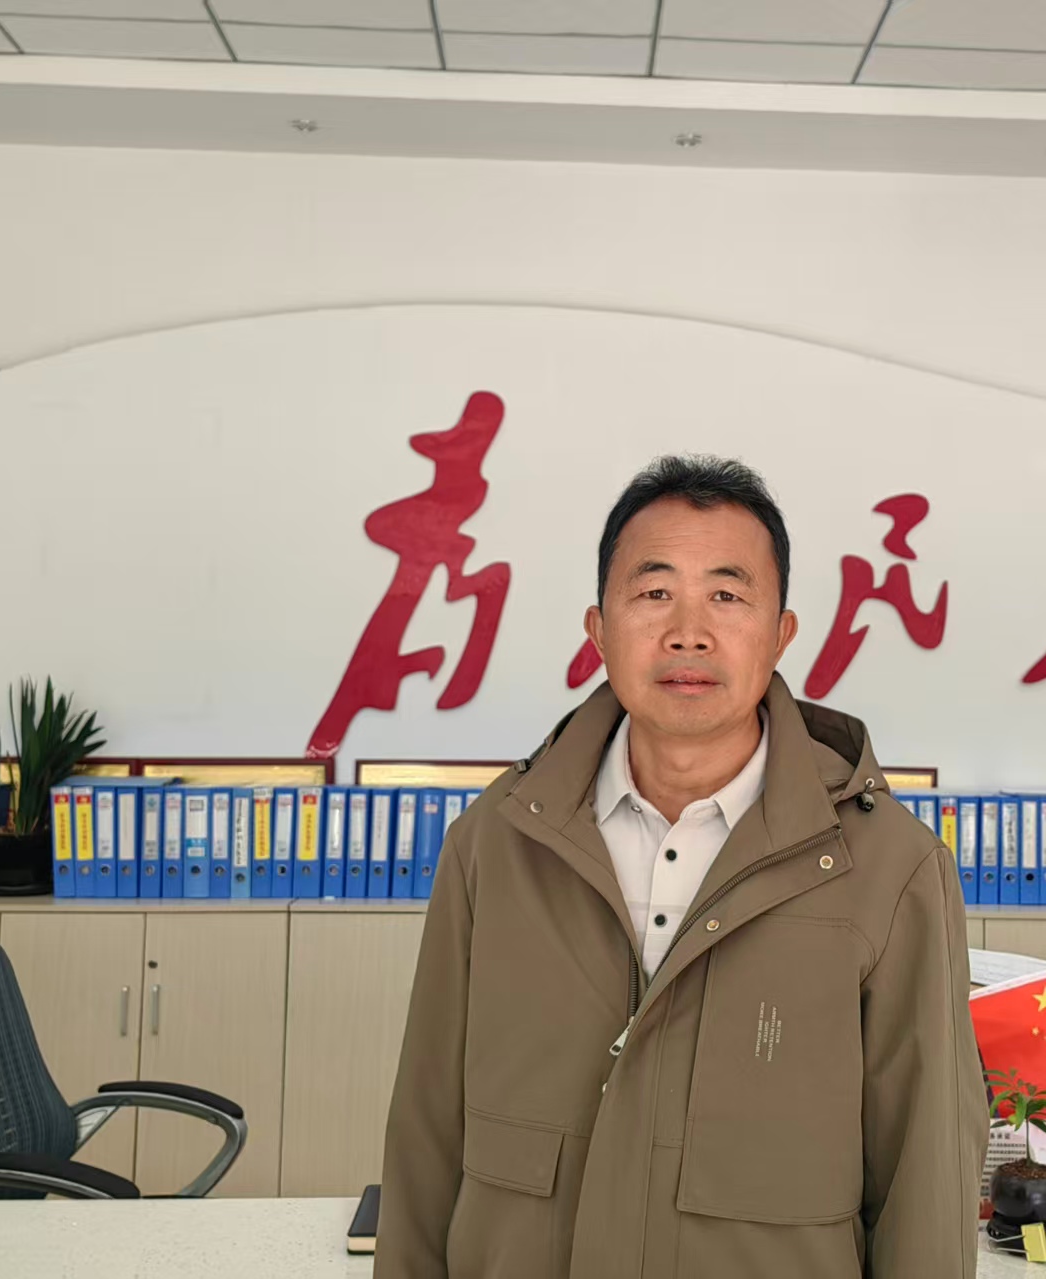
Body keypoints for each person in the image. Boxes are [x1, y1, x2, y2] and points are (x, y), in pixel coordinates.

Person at [378, 456, 986, 1279]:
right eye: (654, 591)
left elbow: (925, 1178)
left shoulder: (888, 868)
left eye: (727, 596)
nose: (688, 632)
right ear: (598, 630)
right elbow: (425, 1137)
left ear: (780, 634)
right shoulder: (498, 839)